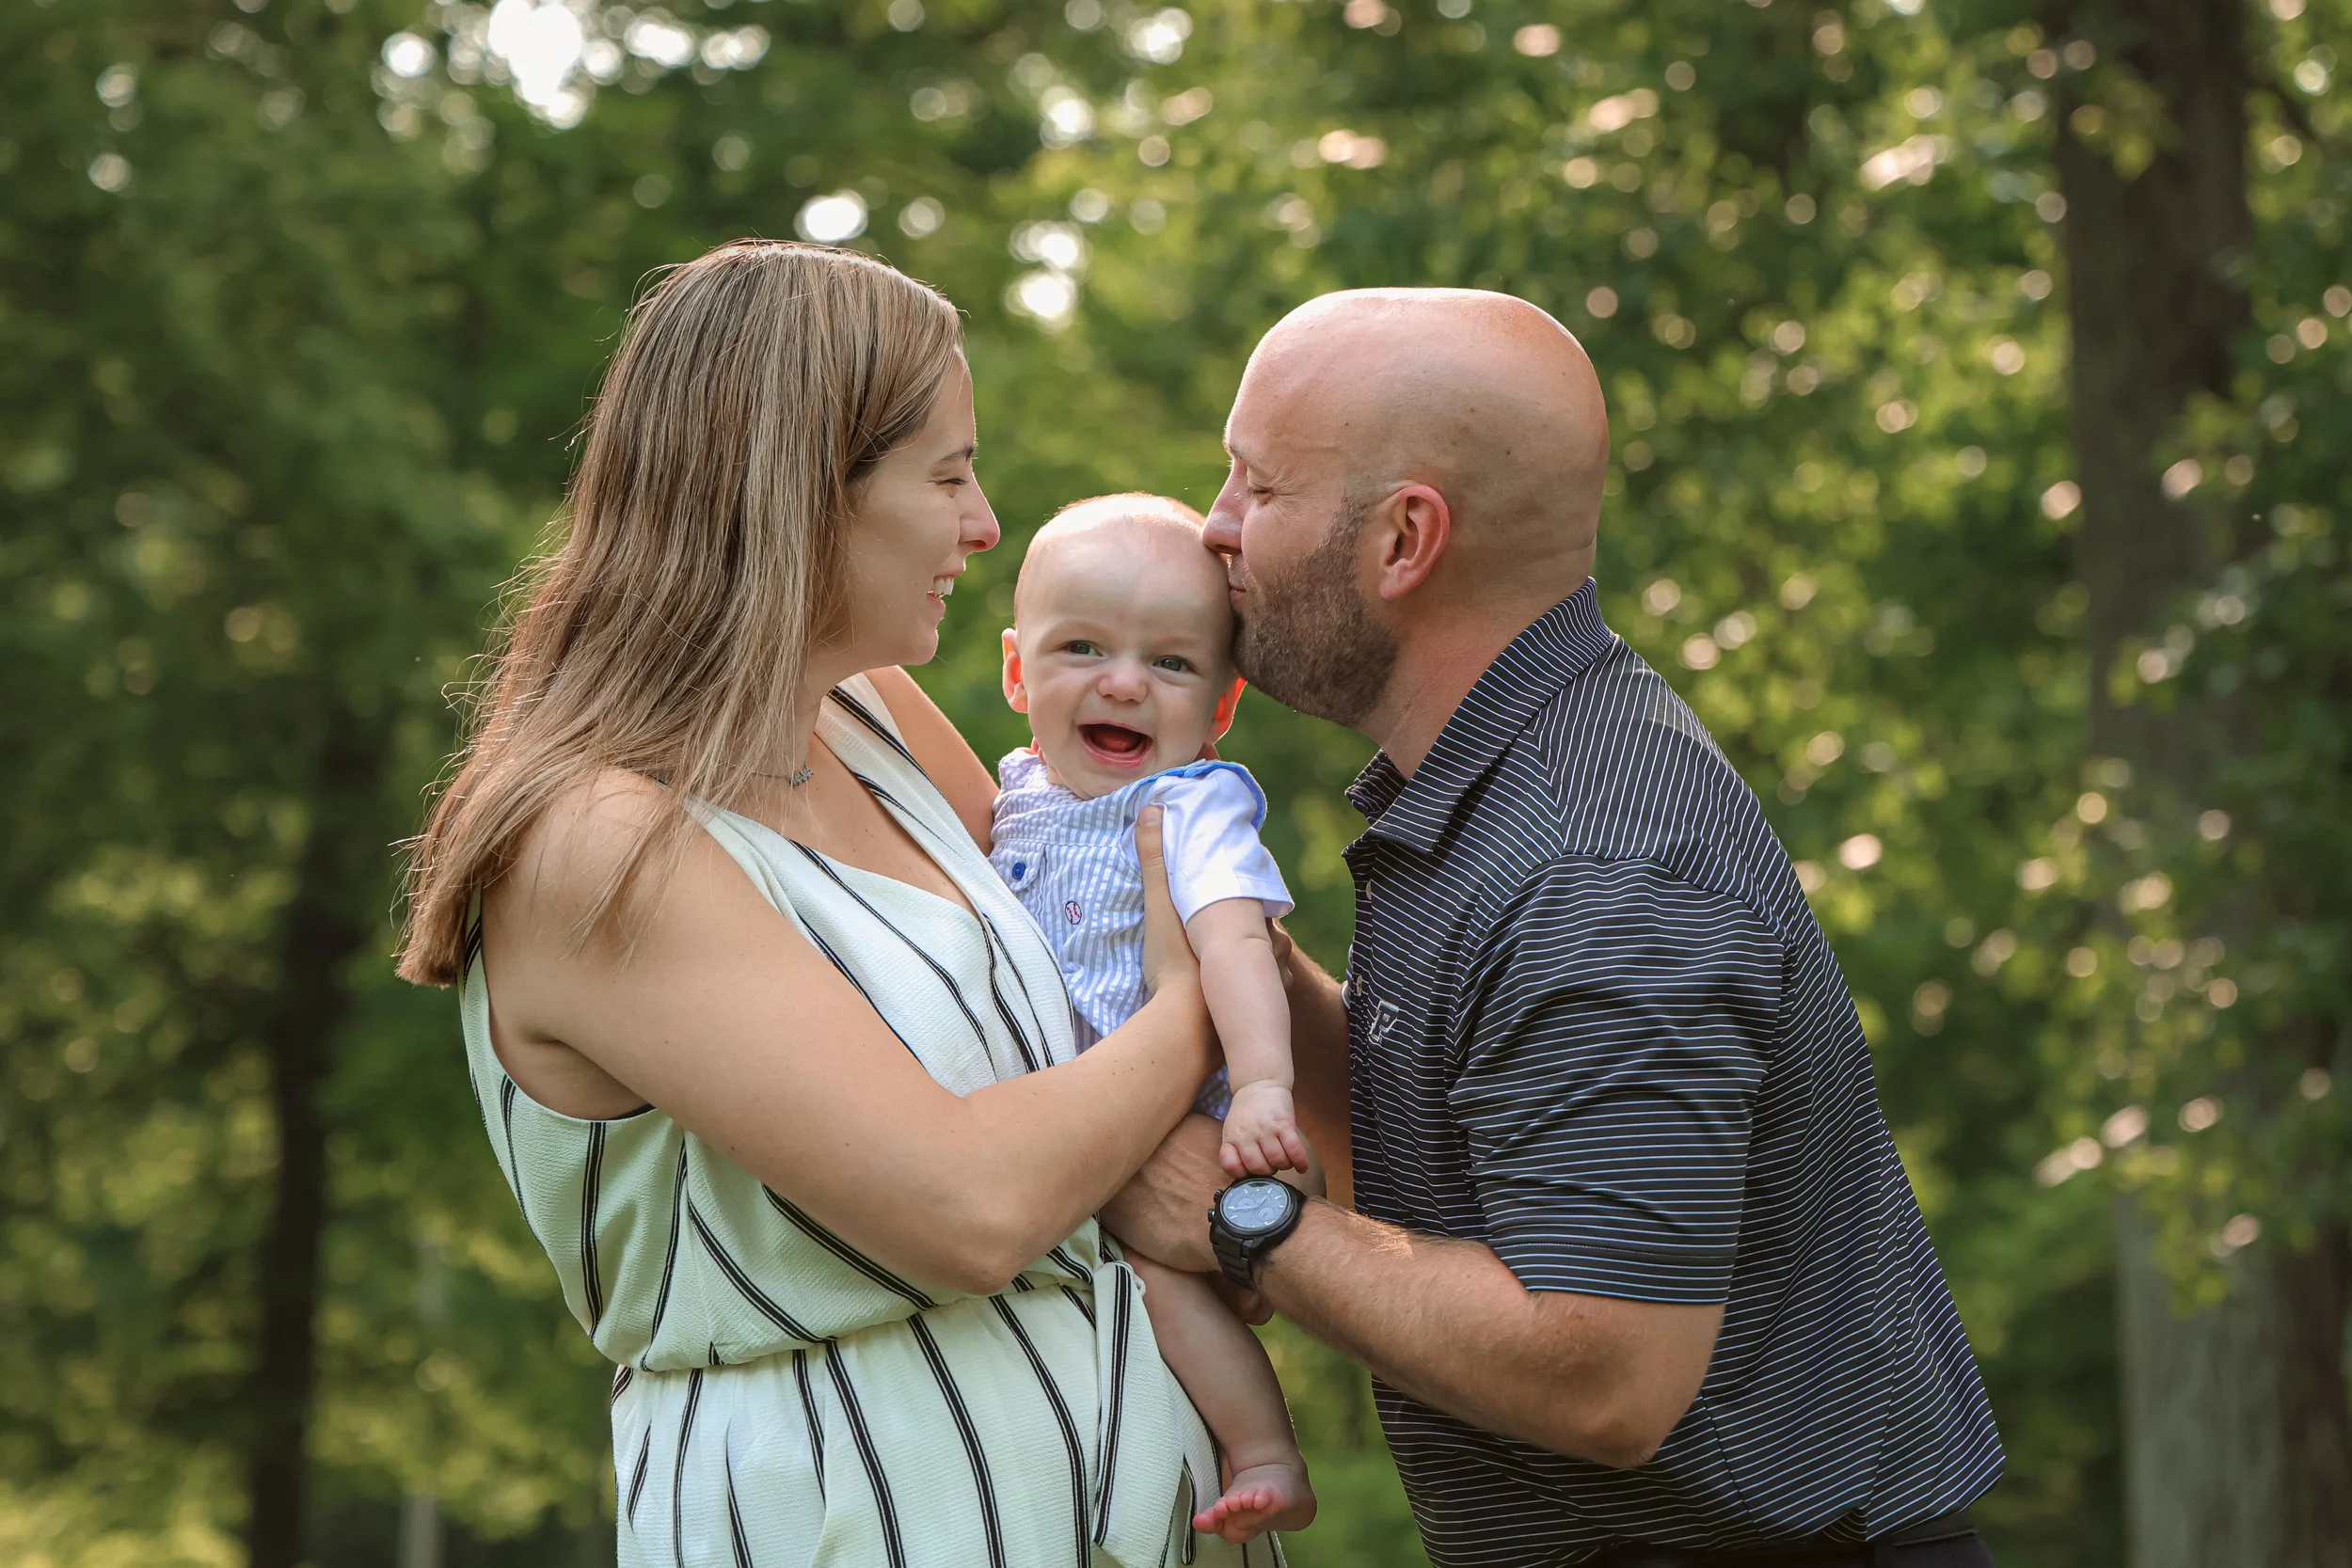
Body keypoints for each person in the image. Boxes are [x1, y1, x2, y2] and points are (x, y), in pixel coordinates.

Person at [1103, 288, 2005, 1567]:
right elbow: (1455, 1152)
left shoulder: (1598, 869)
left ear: (1404, 539)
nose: (1216, 525)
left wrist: (1235, 1216)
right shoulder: (1508, 778)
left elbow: (1607, 1372)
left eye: (1259, 484)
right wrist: (1219, 934)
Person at [397, 242, 1263, 1568]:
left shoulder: (868, 713)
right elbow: (971, 1205)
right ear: (803, 488)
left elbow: (1082, 937)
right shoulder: (595, 841)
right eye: (948, 475)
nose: (985, 524)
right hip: (851, 1513)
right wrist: (1206, 991)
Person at [990, 493, 1317, 1543]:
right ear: (1017, 673)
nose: (1124, 681)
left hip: (1174, 1116)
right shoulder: (1011, 794)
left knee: (1165, 1288)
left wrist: (1262, 1088)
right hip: (1062, 1135)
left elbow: (1237, 945)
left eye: (1171, 663)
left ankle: (1265, 1452)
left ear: (1221, 704)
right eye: (1082, 646)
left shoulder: (1193, 806)